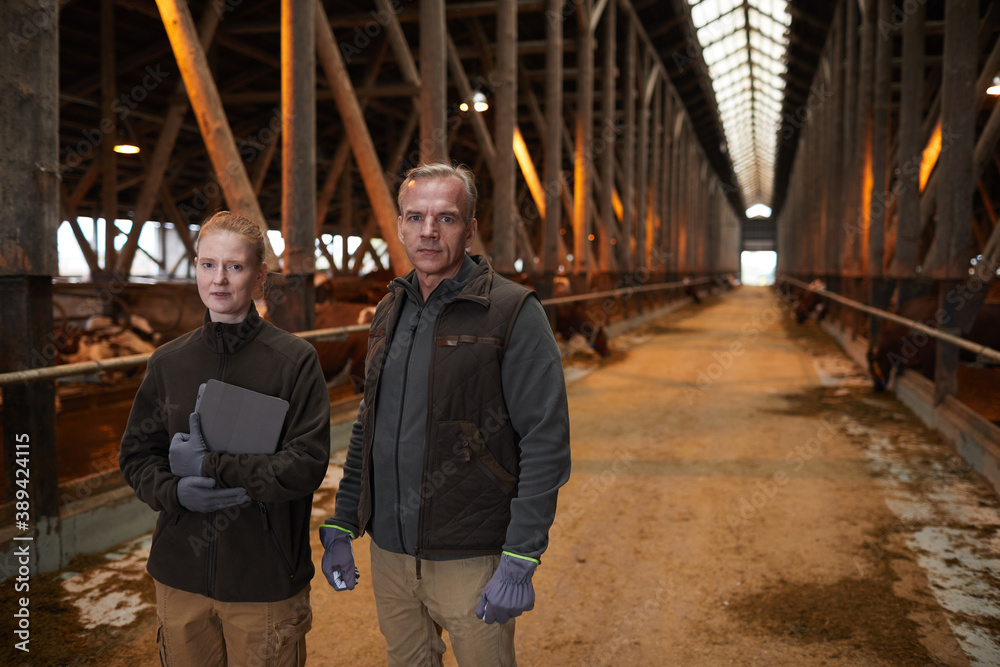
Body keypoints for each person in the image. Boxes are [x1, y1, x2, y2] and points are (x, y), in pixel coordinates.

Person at [319, 163, 571, 666]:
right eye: (415, 216)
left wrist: (521, 555)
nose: (428, 231)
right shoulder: (390, 309)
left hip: (468, 552)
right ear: (399, 226)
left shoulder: (512, 311)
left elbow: (545, 439)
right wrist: (346, 522)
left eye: (446, 218)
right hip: (389, 551)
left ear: (471, 228)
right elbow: (369, 425)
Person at [119, 211, 331, 666]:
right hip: (180, 577)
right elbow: (137, 455)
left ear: (259, 276)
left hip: (264, 579)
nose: (219, 280)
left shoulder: (294, 362)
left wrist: (211, 466)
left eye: (235, 266)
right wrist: (174, 491)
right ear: (195, 266)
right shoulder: (168, 362)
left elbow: (305, 465)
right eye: (207, 264)